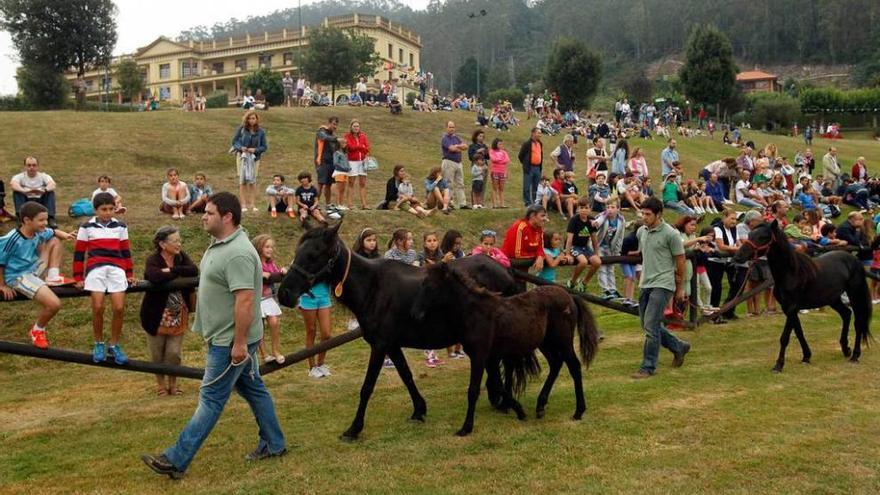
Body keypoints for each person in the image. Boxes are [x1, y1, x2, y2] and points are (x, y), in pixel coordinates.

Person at [141, 192, 287, 479]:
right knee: (254, 390)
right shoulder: (221, 245)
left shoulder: (239, 253)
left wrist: (241, 343)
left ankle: (175, 459)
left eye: (208, 212)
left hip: (230, 341)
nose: (203, 216)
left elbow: (245, 300)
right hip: (226, 337)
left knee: (210, 398)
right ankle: (275, 443)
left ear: (227, 216)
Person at [0, 201, 75, 348]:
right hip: (18, 276)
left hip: (33, 270)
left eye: (46, 219)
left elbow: (53, 232)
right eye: (41, 220)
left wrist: (66, 235)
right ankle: (37, 330)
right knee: (54, 304)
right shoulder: (12, 239)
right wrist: (2, 285)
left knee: (54, 240)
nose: (45, 223)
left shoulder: (38, 232)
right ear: (27, 220)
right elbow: (0, 263)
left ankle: (53, 276)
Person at [631, 197, 691, 379]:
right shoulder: (641, 231)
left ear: (659, 214)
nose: (644, 217)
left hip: (663, 283)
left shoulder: (670, 234)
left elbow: (680, 259)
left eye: (648, 214)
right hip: (646, 283)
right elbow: (645, 252)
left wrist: (679, 288)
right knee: (647, 324)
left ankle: (648, 366)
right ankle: (678, 346)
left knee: (650, 325)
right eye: (642, 213)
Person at [73, 192, 135, 364]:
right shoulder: (86, 227)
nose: (107, 212)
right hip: (96, 267)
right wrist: (78, 277)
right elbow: (79, 254)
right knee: (98, 306)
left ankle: (114, 344)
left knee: (119, 308)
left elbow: (125, 251)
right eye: (103, 209)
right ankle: (98, 342)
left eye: (110, 209)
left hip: (116, 268)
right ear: (96, 210)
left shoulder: (121, 226)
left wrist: (129, 273)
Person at [140, 225, 197, 397]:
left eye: (179, 240)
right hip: (155, 315)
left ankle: (174, 384)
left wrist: (171, 270)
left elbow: (193, 271)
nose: (179, 244)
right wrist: (176, 274)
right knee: (157, 353)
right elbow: (154, 276)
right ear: (163, 244)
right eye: (175, 241)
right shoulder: (153, 259)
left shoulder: (181, 258)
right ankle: (160, 385)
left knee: (174, 353)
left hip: (178, 313)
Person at [252, 234, 286, 364]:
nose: (270, 249)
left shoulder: (271, 263)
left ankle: (276, 350)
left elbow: (276, 272)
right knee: (259, 327)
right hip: (256, 299)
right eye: (267, 247)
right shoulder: (254, 262)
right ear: (260, 247)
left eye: (272, 247)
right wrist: (260, 274)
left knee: (274, 322)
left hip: (267, 298)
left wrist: (282, 271)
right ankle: (264, 354)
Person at [707, 209, 745, 321]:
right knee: (716, 288)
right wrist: (736, 249)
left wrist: (740, 248)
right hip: (715, 261)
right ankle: (713, 314)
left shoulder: (734, 229)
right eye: (732, 218)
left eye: (735, 219)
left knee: (737, 284)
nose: (734, 221)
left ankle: (728, 310)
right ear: (724, 217)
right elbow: (721, 246)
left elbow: (738, 243)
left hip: (728, 260)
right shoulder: (717, 228)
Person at [232, 110, 267, 212]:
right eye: (249, 118)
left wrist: (255, 150)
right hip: (242, 157)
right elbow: (234, 141)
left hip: (254, 159)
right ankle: (243, 205)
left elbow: (264, 147)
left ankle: (252, 204)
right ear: (246, 119)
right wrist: (240, 147)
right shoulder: (242, 129)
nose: (251, 120)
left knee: (252, 181)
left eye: (253, 118)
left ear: (256, 120)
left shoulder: (261, 132)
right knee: (242, 181)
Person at [564, 197, 602, 292]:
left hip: (585, 247)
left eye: (586, 208)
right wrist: (567, 254)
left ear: (590, 209)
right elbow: (569, 239)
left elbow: (594, 238)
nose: (584, 210)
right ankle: (572, 281)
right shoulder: (574, 220)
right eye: (581, 208)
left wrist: (596, 253)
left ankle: (584, 282)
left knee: (597, 262)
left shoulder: (591, 220)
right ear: (577, 209)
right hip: (574, 246)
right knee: (583, 262)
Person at [501, 205, 547, 282]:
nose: (545, 219)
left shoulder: (539, 228)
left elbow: (540, 248)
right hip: (508, 270)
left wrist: (540, 256)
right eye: (542, 216)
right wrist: (536, 256)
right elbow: (516, 254)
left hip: (523, 271)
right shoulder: (520, 227)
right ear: (532, 216)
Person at [11, 156, 58, 228]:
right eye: (29, 165)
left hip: (40, 200)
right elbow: (13, 184)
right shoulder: (19, 176)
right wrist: (24, 191)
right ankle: (21, 218)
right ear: (25, 167)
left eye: (34, 165)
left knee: (50, 192)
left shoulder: (43, 176)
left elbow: (52, 184)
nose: (31, 167)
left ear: (37, 166)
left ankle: (50, 218)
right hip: (26, 200)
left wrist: (44, 190)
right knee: (17, 192)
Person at [594, 200, 625, 299]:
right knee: (602, 268)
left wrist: (617, 251)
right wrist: (603, 216)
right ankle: (605, 289)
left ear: (618, 209)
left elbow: (620, 236)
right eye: (608, 207)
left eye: (612, 207)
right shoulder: (602, 216)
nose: (610, 210)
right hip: (599, 246)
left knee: (610, 268)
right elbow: (597, 223)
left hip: (610, 247)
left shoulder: (621, 220)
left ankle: (613, 289)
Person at [440, 121, 470, 209]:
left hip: (458, 163)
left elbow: (465, 146)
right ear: (446, 128)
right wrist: (459, 147)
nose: (452, 129)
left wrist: (457, 146)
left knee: (460, 183)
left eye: (453, 127)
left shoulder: (456, 138)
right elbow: (451, 149)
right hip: (449, 162)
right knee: (449, 183)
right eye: (450, 127)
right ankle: (449, 202)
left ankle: (462, 203)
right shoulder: (445, 138)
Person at [344, 119, 371, 210]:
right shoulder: (347, 136)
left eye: (358, 126)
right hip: (352, 161)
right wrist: (360, 147)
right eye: (354, 126)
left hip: (362, 161)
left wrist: (362, 149)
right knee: (351, 182)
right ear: (351, 127)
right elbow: (350, 147)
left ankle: (364, 204)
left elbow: (367, 148)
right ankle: (350, 204)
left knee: (363, 183)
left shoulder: (363, 136)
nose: (356, 128)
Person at [314, 116, 340, 206]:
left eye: (336, 125)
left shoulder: (333, 135)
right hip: (322, 161)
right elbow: (324, 138)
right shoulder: (321, 131)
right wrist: (336, 139)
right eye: (333, 124)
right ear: (329, 123)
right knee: (320, 183)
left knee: (329, 184)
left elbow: (336, 149)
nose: (335, 126)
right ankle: (315, 204)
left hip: (331, 162)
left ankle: (328, 204)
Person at [518, 127, 544, 206]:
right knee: (527, 186)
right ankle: (527, 203)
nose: (540, 135)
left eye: (540, 133)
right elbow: (520, 155)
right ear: (533, 133)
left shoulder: (540, 143)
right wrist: (526, 163)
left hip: (537, 168)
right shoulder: (527, 144)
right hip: (529, 168)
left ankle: (536, 202)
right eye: (538, 133)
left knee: (536, 186)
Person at [489, 138, 510, 208]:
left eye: (501, 144)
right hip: (495, 171)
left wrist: (499, 160)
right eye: (499, 144)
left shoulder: (504, 152)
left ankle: (502, 204)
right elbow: (493, 159)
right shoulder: (492, 151)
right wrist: (501, 160)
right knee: (495, 187)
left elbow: (507, 160)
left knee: (501, 188)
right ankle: (494, 204)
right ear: (495, 144)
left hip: (503, 171)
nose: (501, 145)